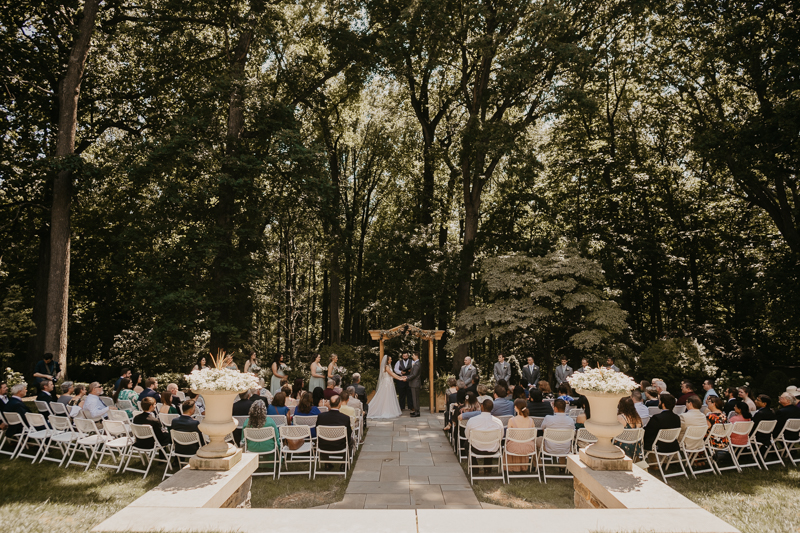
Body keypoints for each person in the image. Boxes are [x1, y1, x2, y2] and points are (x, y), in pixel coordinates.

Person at [465, 399, 504, 468]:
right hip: (492, 449)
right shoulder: (498, 422)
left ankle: (474, 468)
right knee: (490, 442)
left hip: (476, 448)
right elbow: (501, 437)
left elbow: (467, 436)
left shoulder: (472, 420)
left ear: (482, 406)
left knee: (466, 444)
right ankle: (487, 468)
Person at [316, 395, 352, 470]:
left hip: (324, 445)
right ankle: (343, 464)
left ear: (329, 404)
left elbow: (317, 432)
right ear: (339, 404)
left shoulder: (321, 416)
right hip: (340, 445)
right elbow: (348, 434)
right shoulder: (345, 418)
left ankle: (327, 463)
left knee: (320, 439)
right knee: (351, 441)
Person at [367, 355, 406, 419]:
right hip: (386, 383)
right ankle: (385, 411)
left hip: (389, 383)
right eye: (390, 359)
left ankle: (388, 410)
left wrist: (400, 377)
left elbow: (393, 374)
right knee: (386, 396)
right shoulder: (386, 367)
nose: (391, 360)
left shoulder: (387, 366)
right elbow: (392, 374)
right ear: (387, 360)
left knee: (388, 397)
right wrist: (400, 379)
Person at [506, 399, 536, 472]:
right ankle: (524, 466)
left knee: (508, 444)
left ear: (516, 407)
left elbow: (508, 436)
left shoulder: (511, 420)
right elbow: (533, 436)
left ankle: (512, 467)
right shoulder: (531, 420)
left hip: (514, 448)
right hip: (528, 447)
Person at [407, 353, 422, 417]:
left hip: (415, 383)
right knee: (415, 398)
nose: (412, 356)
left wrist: (407, 378)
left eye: (413, 355)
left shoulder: (417, 364)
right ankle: (416, 411)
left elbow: (414, 374)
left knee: (415, 398)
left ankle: (417, 412)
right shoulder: (416, 363)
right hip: (414, 383)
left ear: (416, 356)